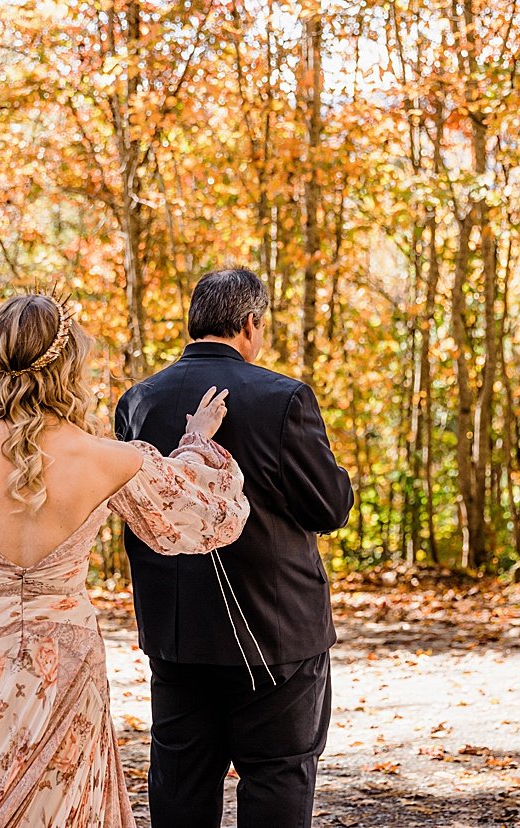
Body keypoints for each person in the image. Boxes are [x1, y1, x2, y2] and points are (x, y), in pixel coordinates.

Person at [0, 293, 249, 827]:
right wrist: (194, 441)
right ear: (69, 366)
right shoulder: (107, 457)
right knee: (62, 797)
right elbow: (196, 516)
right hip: (66, 656)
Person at [113, 268, 353, 828]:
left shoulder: (138, 402)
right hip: (276, 633)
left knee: (181, 786)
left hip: (177, 635)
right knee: (277, 777)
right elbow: (328, 509)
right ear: (251, 323)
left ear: (194, 322)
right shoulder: (284, 397)